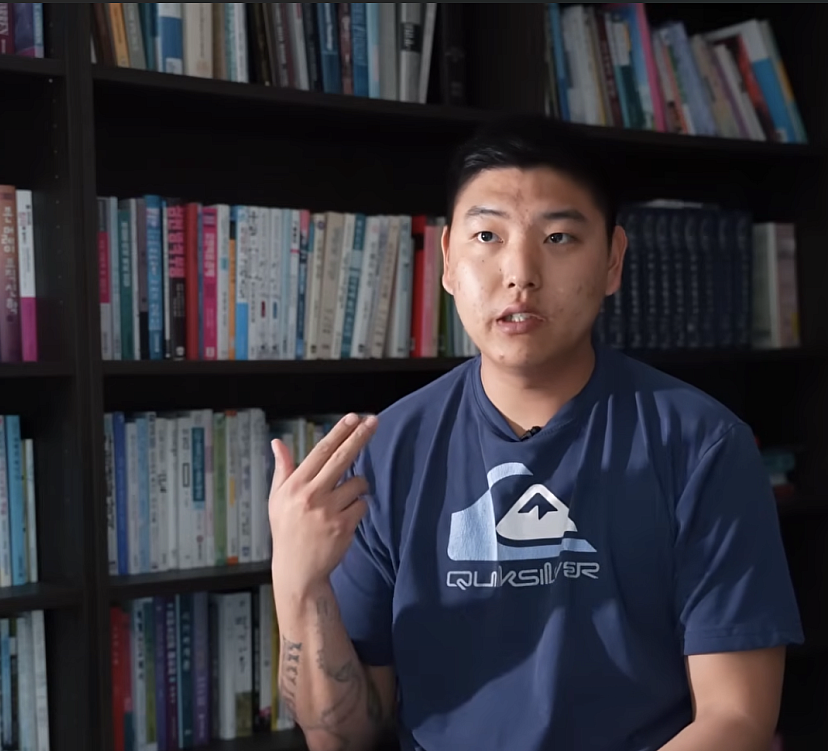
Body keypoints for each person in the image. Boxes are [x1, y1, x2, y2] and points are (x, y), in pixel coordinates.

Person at [267, 115, 804, 751]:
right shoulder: (389, 451)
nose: (520, 272)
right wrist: (297, 582)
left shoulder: (703, 445)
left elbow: (737, 717)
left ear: (612, 261)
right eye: (488, 235)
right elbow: (346, 735)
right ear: (446, 262)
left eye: (558, 237)